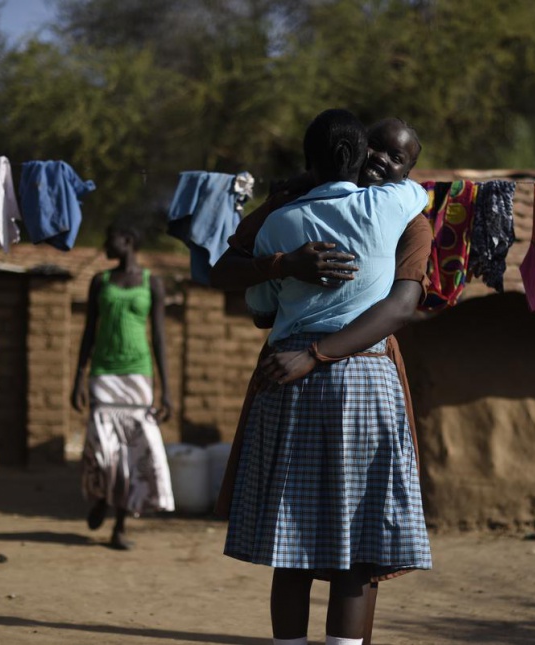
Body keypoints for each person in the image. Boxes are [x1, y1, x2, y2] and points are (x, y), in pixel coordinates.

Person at [211, 116, 429, 645]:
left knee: (299, 545)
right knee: (353, 546)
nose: (381, 161)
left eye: (394, 158)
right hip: (363, 381)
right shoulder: (398, 206)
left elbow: (255, 299)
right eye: (374, 148)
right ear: (356, 154)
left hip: (294, 372)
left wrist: (308, 343)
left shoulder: (284, 219)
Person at [70, 221, 175, 550]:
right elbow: (88, 331)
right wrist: (78, 377)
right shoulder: (100, 282)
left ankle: (120, 526)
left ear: (128, 240)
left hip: (137, 375)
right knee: (103, 449)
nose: (105, 245)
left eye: (110, 239)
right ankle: (101, 496)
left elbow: (158, 337)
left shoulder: (151, 282)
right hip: (104, 373)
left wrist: (166, 390)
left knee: (132, 453)